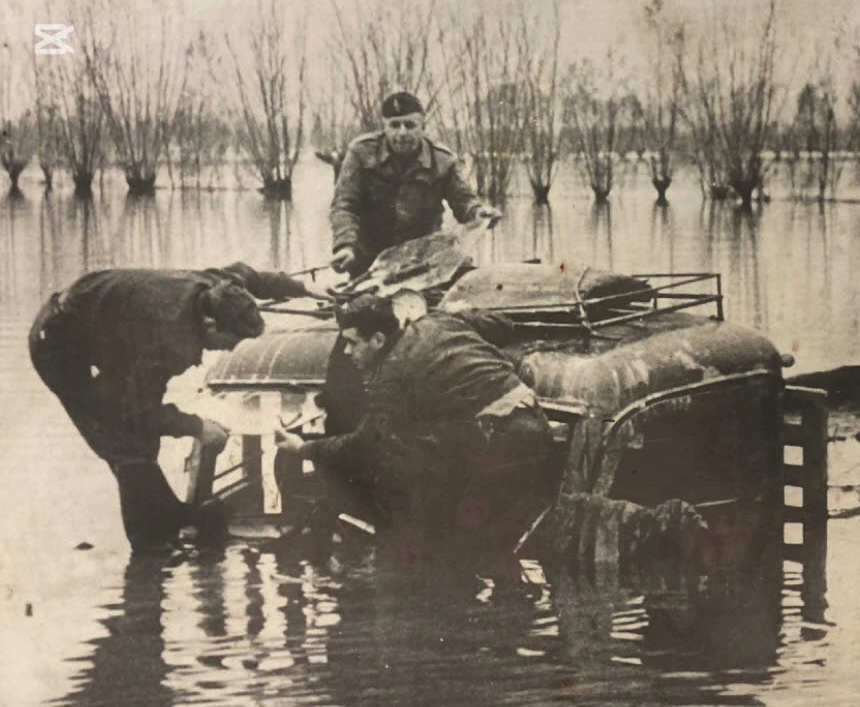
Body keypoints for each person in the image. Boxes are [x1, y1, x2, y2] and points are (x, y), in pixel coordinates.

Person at [29, 263, 312, 550]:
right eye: (230, 341)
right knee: (121, 439)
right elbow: (139, 413)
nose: (229, 350)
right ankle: (151, 543)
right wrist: (197, 427)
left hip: (103, 325)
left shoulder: (217, 289)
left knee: (139, 442)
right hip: (59, 344)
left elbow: (250, 275)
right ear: (211, 325)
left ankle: (166, 526)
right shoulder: (167, 336)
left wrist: (303, 289)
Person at [274, 295, 554, 581]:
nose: (347, 352)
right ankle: (512, 612)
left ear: (378, 340)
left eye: (353, 342)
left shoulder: (392, 376)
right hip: (536, 428)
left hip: (503, 443)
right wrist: (458, 311)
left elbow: (364, 445)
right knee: (489, 545)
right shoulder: (439, 321)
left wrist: (304, 448)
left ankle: (484, 616)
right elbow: (503, 326)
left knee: (467, 547)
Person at [329, 91, 502, 277]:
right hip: (370, 264)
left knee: (466, 283)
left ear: (423, 127)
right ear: (384, 127)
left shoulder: (442, 161)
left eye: (410, 125)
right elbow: (344, 206)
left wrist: (479, 213)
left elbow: (464, 202)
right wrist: (345, 246)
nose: (402, 132)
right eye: (394, 125)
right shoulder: (361, 153)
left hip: (424, 262)